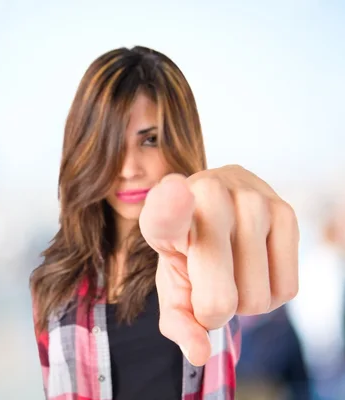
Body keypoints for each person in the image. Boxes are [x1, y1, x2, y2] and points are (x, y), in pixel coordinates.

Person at [29, 46, 299, 400]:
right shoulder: (53, 284)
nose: (128, 169)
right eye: (110, 144)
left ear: (181, 142)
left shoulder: (198, 258)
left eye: (150, 140)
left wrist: (225, 205)